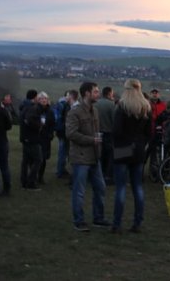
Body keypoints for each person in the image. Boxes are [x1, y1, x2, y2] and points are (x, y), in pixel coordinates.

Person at [66, 81, 109, 232]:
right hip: (81, 157)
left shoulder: (95, 111)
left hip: (94, 157)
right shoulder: (75, 112)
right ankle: (79, 221)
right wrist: (92, 140)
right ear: (87, 93)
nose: (98, 94)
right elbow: (70, 133)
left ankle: (98, 217)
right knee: (79, 191)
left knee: (101, 188)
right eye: (95, 92)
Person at [110, 79, 151, 234]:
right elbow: (149, 133)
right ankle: (138, 222)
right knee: (137, 187)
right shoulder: (146, 107)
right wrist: (141, 144)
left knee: (121, 188)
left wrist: (118, 145)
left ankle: (117, 223)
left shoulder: (122, 107)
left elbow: (116, 131)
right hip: (139, 150)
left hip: (123, 149)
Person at [95, 87, 116, 183]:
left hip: (97, 133)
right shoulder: (111, 105)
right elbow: (114, 120)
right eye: (112, 93)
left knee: (99, 154)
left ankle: (99, 174)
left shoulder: (95, 104)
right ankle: (108, 176)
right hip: (108, 133)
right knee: (110, 155)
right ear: (109, 94)